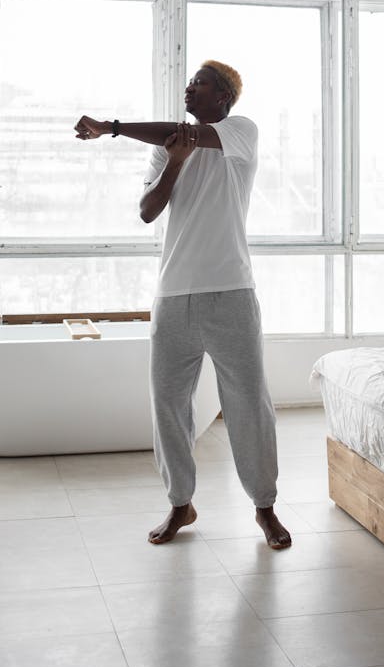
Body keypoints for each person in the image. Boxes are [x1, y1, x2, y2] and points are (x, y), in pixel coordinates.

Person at [74, 61, 291, 550]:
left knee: (248, 404)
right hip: (173, 297)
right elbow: (148, 211)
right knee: (169, 406)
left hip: (231, 293)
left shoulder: (240, 133)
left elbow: (185, 134)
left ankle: (265, 507)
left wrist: (111, 128)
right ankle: (180, 504)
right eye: (190, 82)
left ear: (224, 96)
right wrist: (171, 163)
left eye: (200, 82)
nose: (189, 88)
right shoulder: (168, 149)